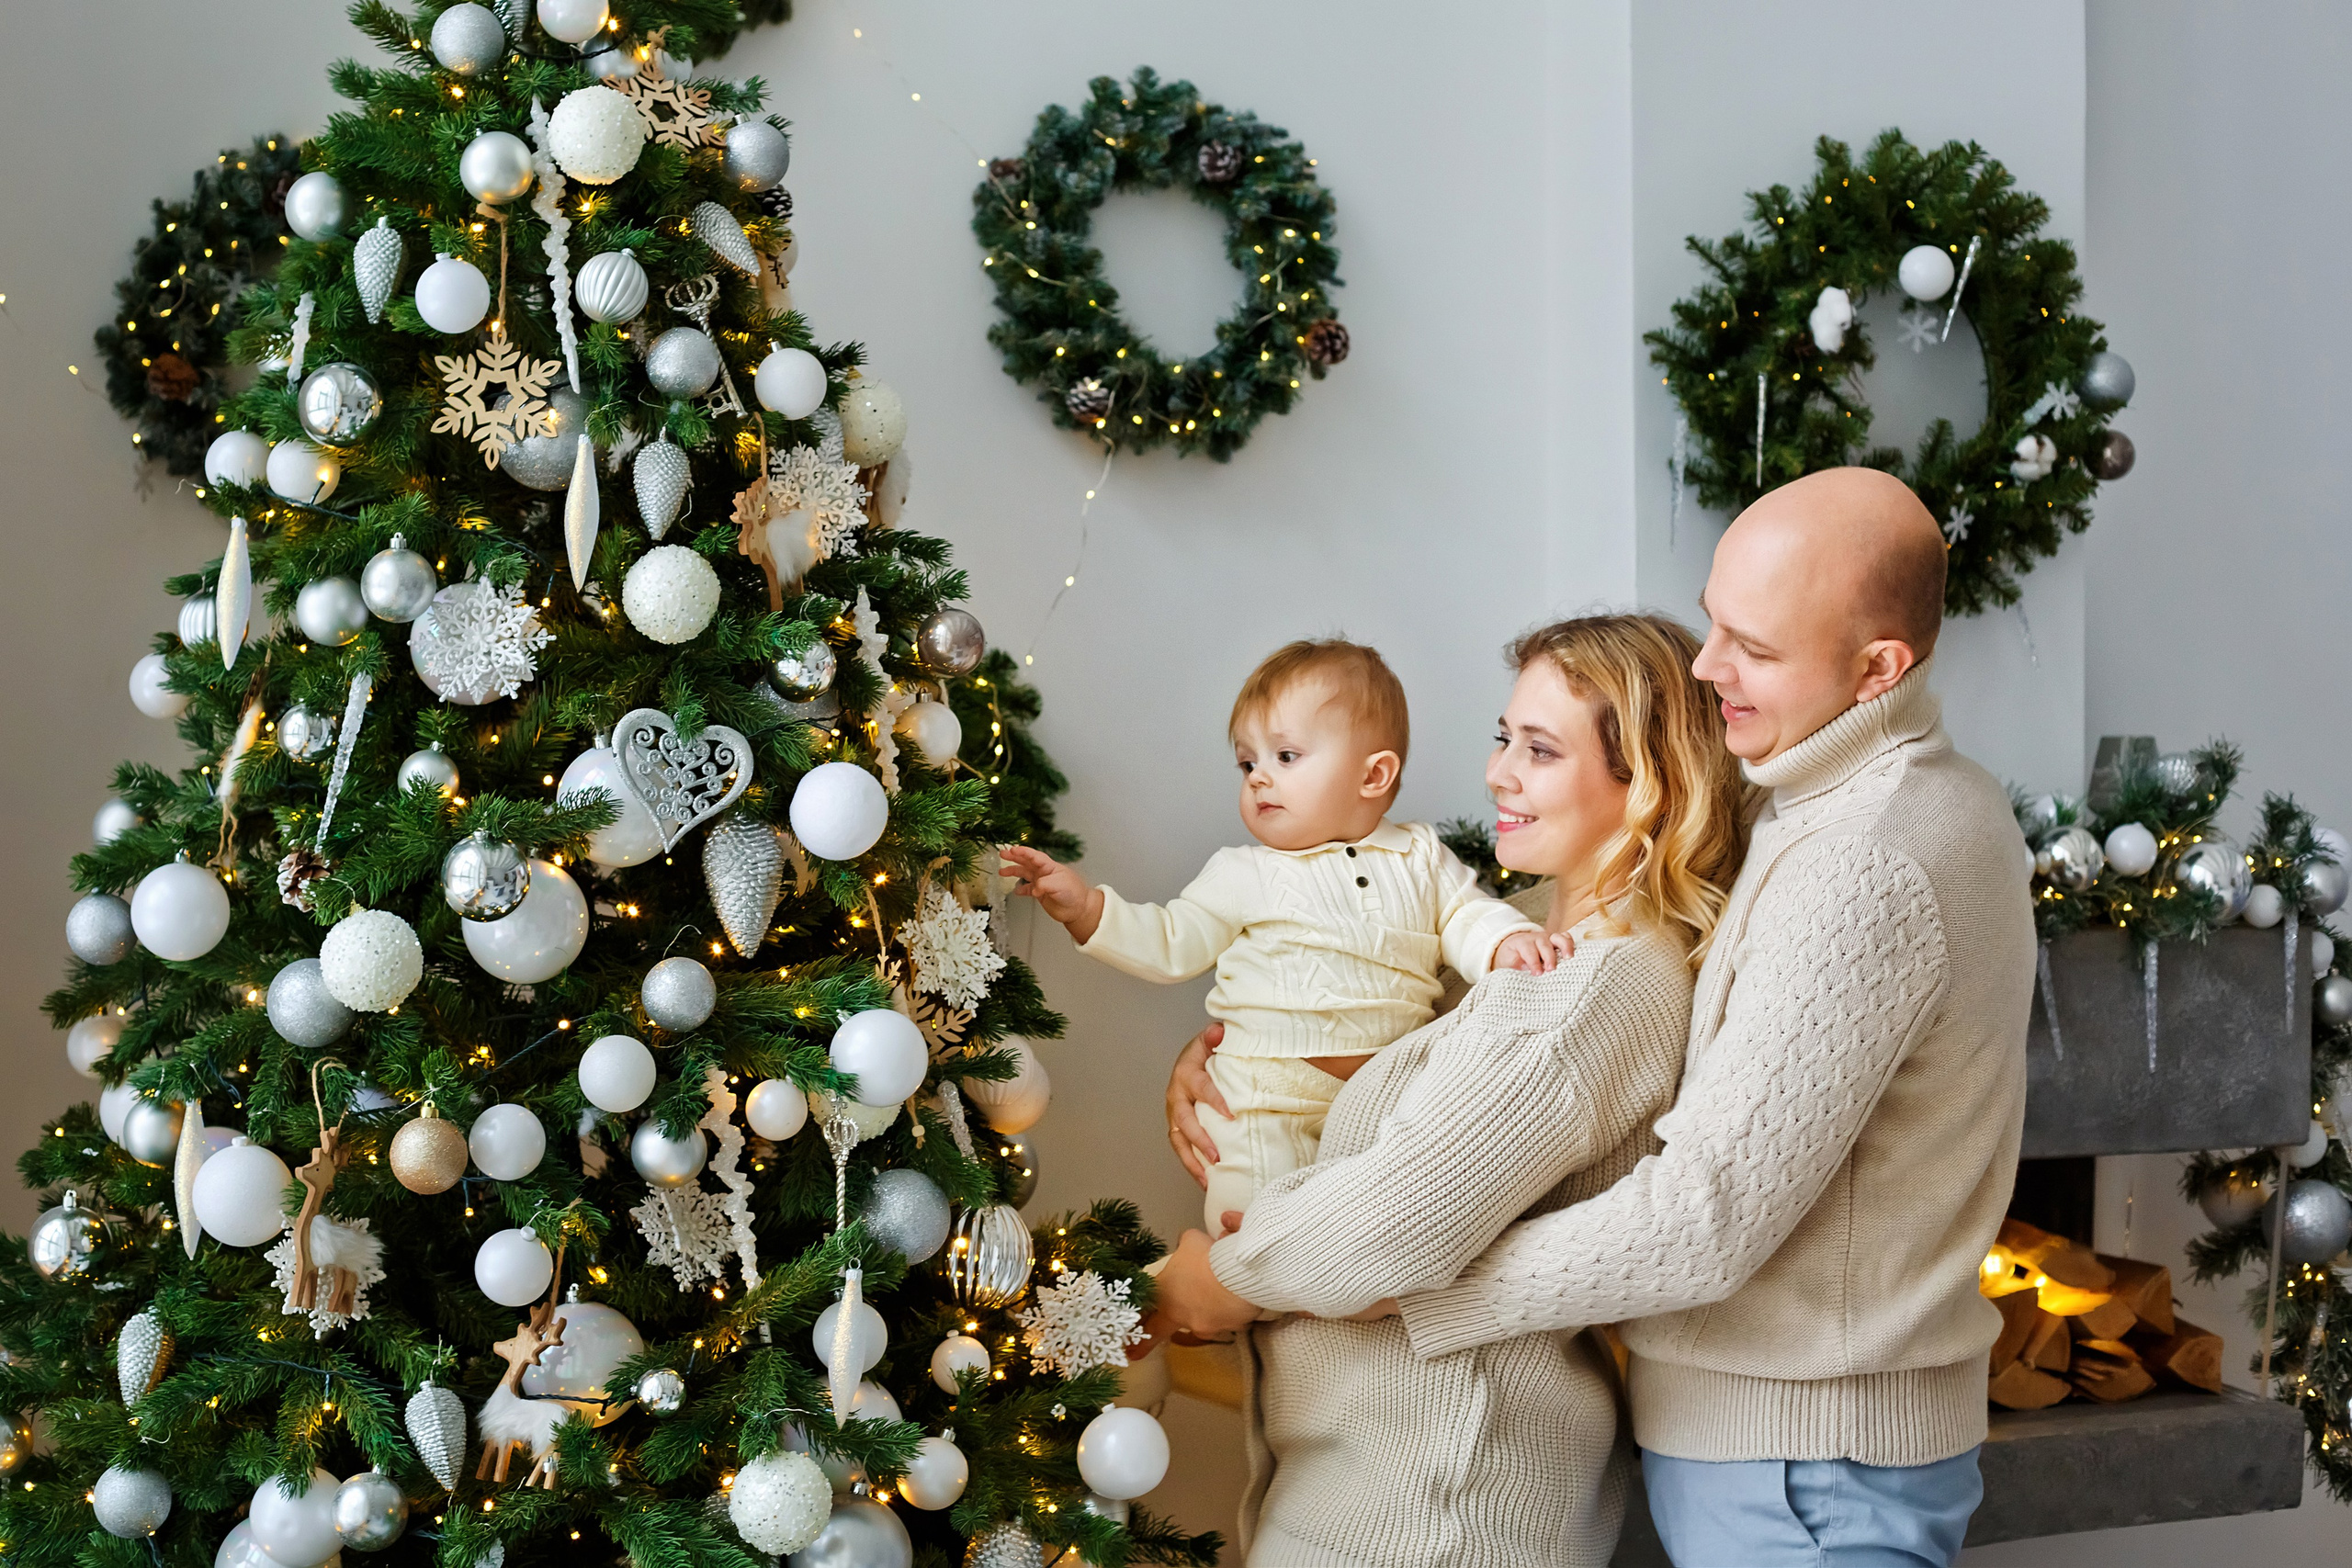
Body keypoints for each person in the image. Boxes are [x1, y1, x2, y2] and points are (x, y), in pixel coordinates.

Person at [1159, 468, 2037, 1568]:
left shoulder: (1854, 855)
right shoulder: (1797, 813)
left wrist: (1362, 1276)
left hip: (1799, 1470)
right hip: (1748, 1451)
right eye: (1715, 626)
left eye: (1751, 648)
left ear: (1878, 668)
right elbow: (1465, 1078)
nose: (1711, 668)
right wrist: (1234, 1073)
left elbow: (1693, 1218)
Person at [1146, 614, 1747, 1565]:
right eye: (1504, 737)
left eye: (1540, 750)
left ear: (1649, 781)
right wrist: (1218, 1065)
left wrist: (1218, 1281)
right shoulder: (1499, 941)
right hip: (1377, 1478)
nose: (1498, 773)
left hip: (1442, 1499)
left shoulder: (1593, 983)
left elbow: (1396, 1217)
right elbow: (1388, 1063)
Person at [1001, 637, 1566, 1234]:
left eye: (1286, 756)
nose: (1259, 778)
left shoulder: (1420, 856)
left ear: (1374, 774)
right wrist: (1087, 908)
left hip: (1386, 1091)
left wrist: (1505, 943)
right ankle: (1241, 1272)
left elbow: (1466, 914)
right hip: (1261, 1095)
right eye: (1249, 763)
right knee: (1247, 1215)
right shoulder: (1243, 871)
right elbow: (1169, 940)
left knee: (1368, 1218)